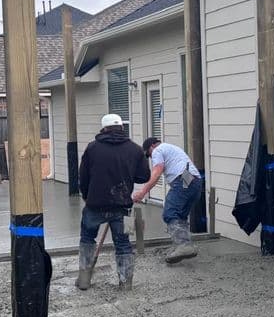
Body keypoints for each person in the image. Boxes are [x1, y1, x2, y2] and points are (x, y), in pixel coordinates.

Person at [77, 114, 151, 291]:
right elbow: (144, 176)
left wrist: (87, 196)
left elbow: (83, 176)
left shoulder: (92, 148)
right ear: (122, 128)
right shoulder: (134, 150)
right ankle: (126, 282)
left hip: (95, 204)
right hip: (123, 206)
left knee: (87, 238)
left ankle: (84, 279)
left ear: (103, 129)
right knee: (123, 244)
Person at [134, 137, 203, 263]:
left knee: (170, 212)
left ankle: (183, 246)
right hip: (195, 182)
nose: (150, 157)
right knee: (180, 215)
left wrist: (143, 191)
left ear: (151, 147)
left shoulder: (157, 150)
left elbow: (157, 172)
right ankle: (183, 245)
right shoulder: (172, 148)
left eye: (148, 155)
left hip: (183, 179)